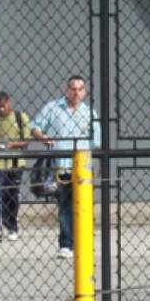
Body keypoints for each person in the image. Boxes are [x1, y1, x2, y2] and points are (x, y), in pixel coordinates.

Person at [30, 75, 100, 259]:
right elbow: (34, 126)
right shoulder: (53, 108)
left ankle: (83, 242)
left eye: (80, 89)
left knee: (84, 207)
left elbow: (96, 142)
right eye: (73, 88)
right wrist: (43, 137)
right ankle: (66, 244)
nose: (76, 92)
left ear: (84, 92)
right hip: (61, 168)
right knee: (65, 207)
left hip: (83, 168)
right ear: (67, 90)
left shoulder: (90, 113)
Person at [0, 91, 31, 242]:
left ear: (8, 102)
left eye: (3, 106)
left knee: (12, 195)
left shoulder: (19, 117)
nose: (1, 110)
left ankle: (11, 226)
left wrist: (12, 145)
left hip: (15, 162)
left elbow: (26, 141)